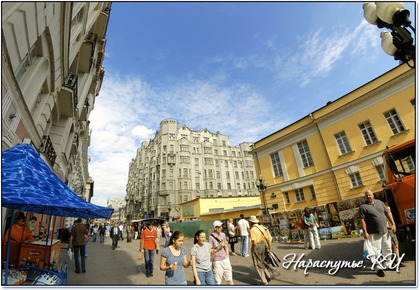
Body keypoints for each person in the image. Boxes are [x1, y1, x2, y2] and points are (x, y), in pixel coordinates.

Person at [359, 190, 395, 277]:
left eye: (370, 195)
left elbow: (387, 213)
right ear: (365, 197)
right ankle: (379, 268)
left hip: (385, 231)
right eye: (367, 195)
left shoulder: (380, 203)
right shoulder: (363, 207)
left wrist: (393, 224)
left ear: (373, 195)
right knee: (376, 251)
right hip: (373, 233)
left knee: (387, 248)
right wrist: (365, 232)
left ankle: (388, 264)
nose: (368, 196)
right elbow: (362, 220)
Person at [249, 215, 273, 285]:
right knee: (262, 261)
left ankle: (264, 281)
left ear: (251, 222)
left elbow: (254, 242)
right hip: (263, 245)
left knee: (257, 264)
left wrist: (253, 249)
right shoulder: (261, 227)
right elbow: (268, 238)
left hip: (257, 246)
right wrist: (270, 247)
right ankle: (268, 275)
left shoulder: (252, 230)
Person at [209, 220, 234, 285]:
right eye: (219, 227)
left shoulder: (223, 235)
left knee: (230, 280)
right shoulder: (211, 237)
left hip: (225, 260)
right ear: (215, 228)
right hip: (217, 262)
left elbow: (226, 246)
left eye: (221, 226)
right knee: (218, 282)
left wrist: (227, 257)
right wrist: (219, 247)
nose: (221, 228)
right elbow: (211, 251)